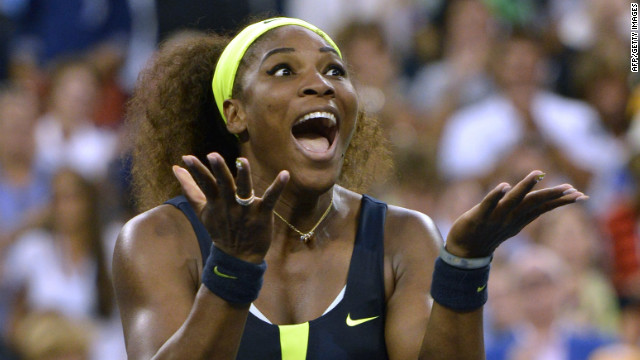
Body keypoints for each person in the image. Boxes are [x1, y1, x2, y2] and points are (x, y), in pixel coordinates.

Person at [113, 17, 588, 359]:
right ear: (236, 113)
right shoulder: (158, 238)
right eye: (284, 70)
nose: (320, 84)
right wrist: (233, 269)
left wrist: (464, 266)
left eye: (335, 70)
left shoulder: (403, 237)